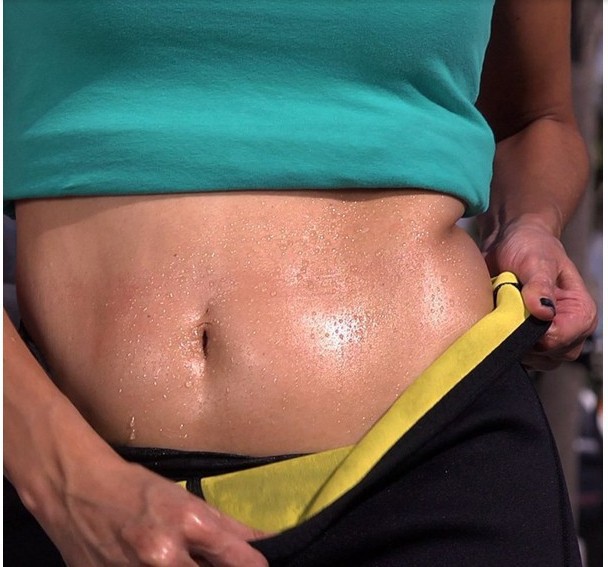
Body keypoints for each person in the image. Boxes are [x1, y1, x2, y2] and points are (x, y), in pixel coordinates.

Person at [3, 1, 597, 565]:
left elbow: (534, 121)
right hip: (67, 494)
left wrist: (530, 224)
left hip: (438, 464)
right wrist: (64, 479)